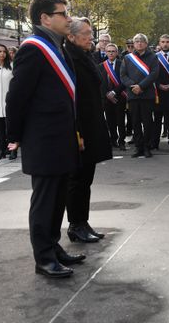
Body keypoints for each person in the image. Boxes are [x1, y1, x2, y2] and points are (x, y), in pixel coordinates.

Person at [6, 0, 83, 278]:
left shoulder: (57, 46)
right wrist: (14, 135)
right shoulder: (34, 48)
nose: (69, 18)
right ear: (45, 18)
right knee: (45, 201)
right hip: (44, 139)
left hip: (60, 138)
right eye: (63, 13)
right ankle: (44, 258)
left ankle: (53, 247)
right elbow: (17, 96)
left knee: (58, 199)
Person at [64, 17, 112, 243]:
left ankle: (83, 221)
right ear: (72, 36)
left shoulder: (84, 56)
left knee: (86, 179)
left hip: (91, 123)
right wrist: (77, 132)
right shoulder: (68, 58)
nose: (90, 37)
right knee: (77, 179)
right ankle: (75, 224)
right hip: (79, 128)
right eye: (86, 33)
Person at [120, 33, 159, 158]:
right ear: (134, 44)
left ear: (146, 44)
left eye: (142, 41)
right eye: (137, 41)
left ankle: (147, 147)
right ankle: (139, 147)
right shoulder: (127, 58)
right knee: (135, 122)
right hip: (133, 95)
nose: (139, 43)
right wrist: (134, 86)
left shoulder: (152, 57)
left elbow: (154, 74)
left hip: (147, 94)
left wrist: (141, 86)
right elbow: (123, 76)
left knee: (147, 122)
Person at [99, 43, 127, 150]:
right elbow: (99, 83)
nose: (111, 53)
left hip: (119, 97)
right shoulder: (100, 66)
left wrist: (114, 92)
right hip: (106, 99)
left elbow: (124, 81)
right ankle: (113, 139)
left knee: (120, 120)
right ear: (106, 53)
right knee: (110, 120)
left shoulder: (122, 64)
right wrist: (107, 94)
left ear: (117, 52)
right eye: (109, 51)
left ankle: (122, 141)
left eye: (113, 51)